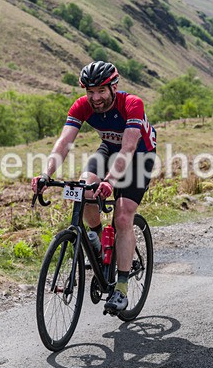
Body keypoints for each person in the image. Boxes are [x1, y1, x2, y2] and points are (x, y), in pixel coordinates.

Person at [32, 61, 157, 314]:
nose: (95, 97)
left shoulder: (132, 103)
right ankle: (98, 240)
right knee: (85, 188)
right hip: (108, 150)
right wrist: (46, 174)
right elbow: (64, 142)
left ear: (114, 87)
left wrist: (110, 180)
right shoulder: (82, 106)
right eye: (90, 91)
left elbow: (128, 148)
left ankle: (121, 288)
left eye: (101, 91)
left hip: (139, 157)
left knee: (122, 217)